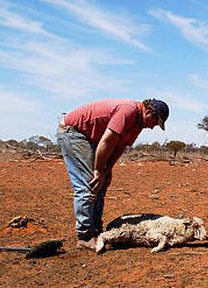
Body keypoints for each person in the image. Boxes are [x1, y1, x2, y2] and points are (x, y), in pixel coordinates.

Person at [56, 98, 169, 250]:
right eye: (155, 122)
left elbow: (119, 146)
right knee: (89, 182)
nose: (153, 127)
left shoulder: (138, 124)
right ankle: (85, 236)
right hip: (74, 132)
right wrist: (98, 170)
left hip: (92, 138)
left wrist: (107, 170)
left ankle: (96, 230)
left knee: (101, 182)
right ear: (148, 113)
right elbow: (107, 141)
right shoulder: (128, 111)